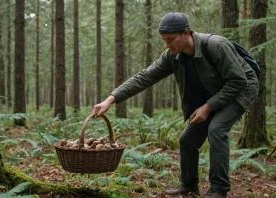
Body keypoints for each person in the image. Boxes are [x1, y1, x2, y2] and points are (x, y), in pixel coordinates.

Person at [92, 12, 258, 198]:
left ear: (186, 33)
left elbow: (238, 81)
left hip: (241, 88)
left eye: (171, 39)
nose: (167, 45)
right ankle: (189, 185)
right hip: (214, 93)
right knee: (187, 139)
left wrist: (208, 107)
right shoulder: (172, 56)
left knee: (217, 130)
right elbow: (144, 77)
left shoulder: (215, 45)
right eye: (164, 40)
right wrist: (111, 99)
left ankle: (219, 190)